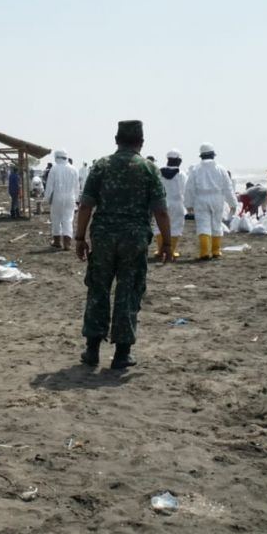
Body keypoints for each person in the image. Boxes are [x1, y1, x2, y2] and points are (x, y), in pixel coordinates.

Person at [75, 120, 171, 370]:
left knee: (98, 290)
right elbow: (160, 211)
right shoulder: (148, 168)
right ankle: (122, 354)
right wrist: (167, 243)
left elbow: (86, 205)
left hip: (104, 238)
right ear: (141, 142)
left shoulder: (101, 166)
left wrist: (79, 238)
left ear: (116, 140)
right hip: (134, 239)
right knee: (128, 292)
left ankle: (92, 350)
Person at [184, 143, 237, 260]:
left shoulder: (195, 169)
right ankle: (216, 251)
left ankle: (204, 252)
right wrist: (233, 203)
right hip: (217, 199)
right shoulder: (221, 169)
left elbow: (189, 188)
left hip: (201, 199)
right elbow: (228, 187)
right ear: (213, 155)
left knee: (203, 225)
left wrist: (188, 204)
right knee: (216, 224)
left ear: (201, 156)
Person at [43, 149, 80, 250]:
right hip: (70, 197)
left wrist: (47, 198)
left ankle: (57, 242)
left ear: (57, 157)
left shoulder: (54, 169)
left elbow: (49, 186)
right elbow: (77, 186)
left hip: (57, 197)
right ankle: (67, 244)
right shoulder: (74, 169)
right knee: (68, 219)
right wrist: (77, 199)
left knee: (56, 219)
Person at [154, 150, 187, 259]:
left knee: (159, 226)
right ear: (178, 160)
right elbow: (185, 190)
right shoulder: (181, 174)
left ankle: (160, 250)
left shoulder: (159, 172)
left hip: (162, 202)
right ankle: (171, 251)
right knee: (176, 226)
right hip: (177, 203)